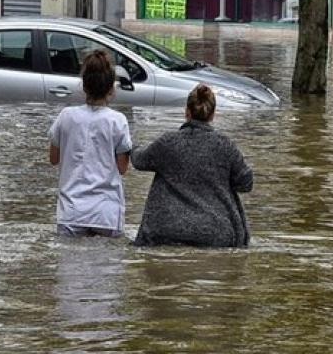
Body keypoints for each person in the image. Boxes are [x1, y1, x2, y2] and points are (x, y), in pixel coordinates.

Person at [131, 84, 253, 247]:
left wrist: (131, 145)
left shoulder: (167, 143)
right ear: (213, 114)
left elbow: (138, 160)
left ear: (187, 111)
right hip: (216, 233)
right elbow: (246, 183)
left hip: (167, 230)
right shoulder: (225, 145)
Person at [48, 50, 133, 238]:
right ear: (111, 88)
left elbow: (54, 159)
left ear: (84, 86)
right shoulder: (118, 121)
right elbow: (122, 168)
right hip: (106, 213)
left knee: (70, 265)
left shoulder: (66, 116)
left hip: (71, 211)